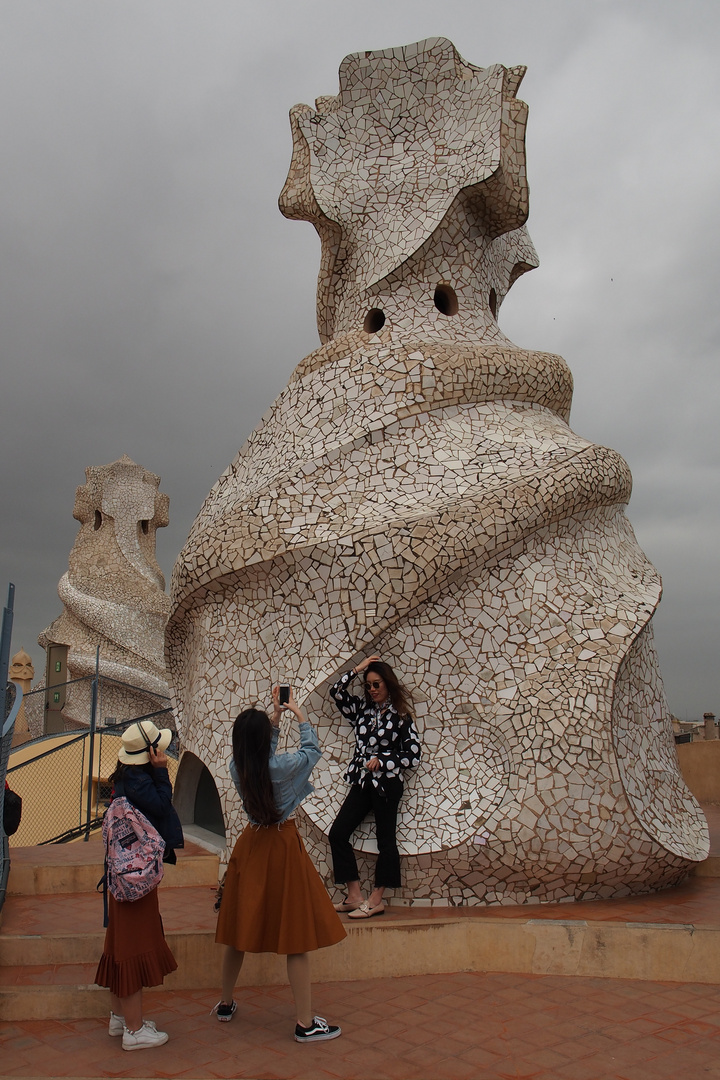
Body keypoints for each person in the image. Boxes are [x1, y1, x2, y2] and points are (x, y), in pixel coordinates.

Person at [214, 687, 345, 1042]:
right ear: (261, 741)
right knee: (296, 935)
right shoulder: (283, 768)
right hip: (283, 846)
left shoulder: (237, 769)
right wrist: (300, 717)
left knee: (237, 932)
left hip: (252, 844)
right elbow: (311, 752)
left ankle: (225, 1003)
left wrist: (274, 719)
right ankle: (305, 1023)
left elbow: (261, 756)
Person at [95, 720, 184, 1051]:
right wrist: (162, 773)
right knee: (134, 945)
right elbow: (162, 805)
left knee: (121, 944)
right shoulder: (139, 781)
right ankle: (135, 1030)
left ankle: (120, 1017)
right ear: (151, 751)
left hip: (123, 875)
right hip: (137, 877)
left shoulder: (125, 779)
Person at [328, 656, 421, 918]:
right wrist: (358, 669)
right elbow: (336, 691)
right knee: (338, 833)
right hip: (361, 782)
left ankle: (376, 898)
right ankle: (354, 895)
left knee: (386, 841)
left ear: (388, 684)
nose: (372, 690)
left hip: (387, 785)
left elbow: (413, 754)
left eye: (377, 684)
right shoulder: (361, 711)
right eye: (368, 685)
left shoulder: (401, 716)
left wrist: (384, 759)